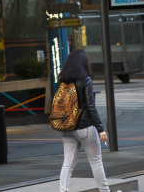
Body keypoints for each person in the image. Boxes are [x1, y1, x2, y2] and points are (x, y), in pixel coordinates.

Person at [57, 49, 110, 192]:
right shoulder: (85, 80)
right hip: (85, 127)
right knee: (96, 162)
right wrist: (101, 129)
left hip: (67, 128)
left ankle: (63, 191)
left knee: (67, 164)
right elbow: (91, 107)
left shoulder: (62, 81)